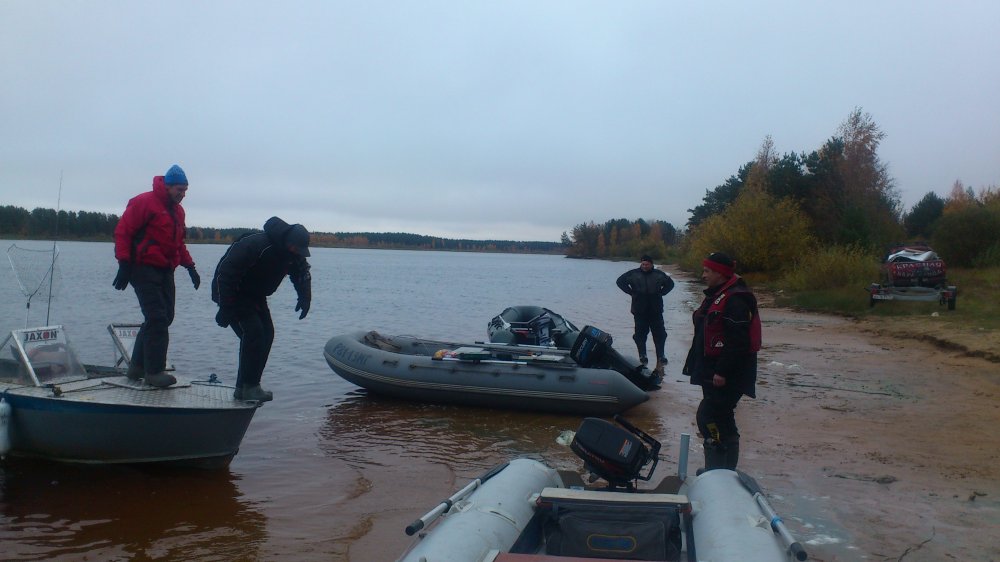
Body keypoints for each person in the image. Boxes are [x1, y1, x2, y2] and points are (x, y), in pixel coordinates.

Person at [112, 164, 200, 388]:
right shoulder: (144, 202)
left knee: (165, 317)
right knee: (157, 317)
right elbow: (123, 233)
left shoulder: (178, 212)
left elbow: (178, 243)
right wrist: (124, 264)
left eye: (185, 190)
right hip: (141, 267)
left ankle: (137, 367)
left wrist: (190, 267)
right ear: (168, 186)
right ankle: (154, 372)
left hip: (165, 268)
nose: (183, 194)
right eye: (179, 190)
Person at [211, 216, 312, 402]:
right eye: (295, 249)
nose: (297, 253)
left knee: (267, 334)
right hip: (233, 292)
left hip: (255, 296)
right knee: (254, 333)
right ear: (287, 242)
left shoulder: (292, 253)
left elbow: (302, 273)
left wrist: (305, 298)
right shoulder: (257, 244)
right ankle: (249, 386)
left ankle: (245, 387)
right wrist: (225, 308)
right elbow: (226, 274)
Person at [682, 252, 761, 471]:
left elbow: (738, 341)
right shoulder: (717, 295)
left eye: (707, 271)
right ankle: (720, 469)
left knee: (708, 416)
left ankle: (718, 469)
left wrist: (722, 371)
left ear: (720, 273)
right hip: (712, 370)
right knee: (719, 417)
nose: (703, 275)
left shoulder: (736, 299)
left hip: (727, 374)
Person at [616, 254, 675, 376]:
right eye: (643, 264)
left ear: (651, 264)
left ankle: (661, 355)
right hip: (639, 310)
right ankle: (642, 355)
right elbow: (620, 281)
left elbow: (670, 284)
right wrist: (631, 292)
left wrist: (662, 293)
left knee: (660, 334)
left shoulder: (659, 274)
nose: (644, 266)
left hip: (656, 310)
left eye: (647, 264)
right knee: (640, 334)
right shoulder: (633, 274)